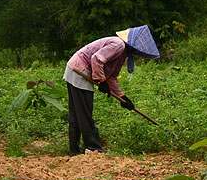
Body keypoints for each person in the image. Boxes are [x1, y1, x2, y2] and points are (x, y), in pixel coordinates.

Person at [63, 25, 160, 156]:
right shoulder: (118, 45)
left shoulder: (121, 53)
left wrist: (123, 97)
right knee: (84, 112)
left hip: (75, 68)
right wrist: (101, 81)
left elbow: (112, 77)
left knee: (77, 113)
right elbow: (96, 59)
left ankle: (74, 151)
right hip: (80, 70)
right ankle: (93, 148)